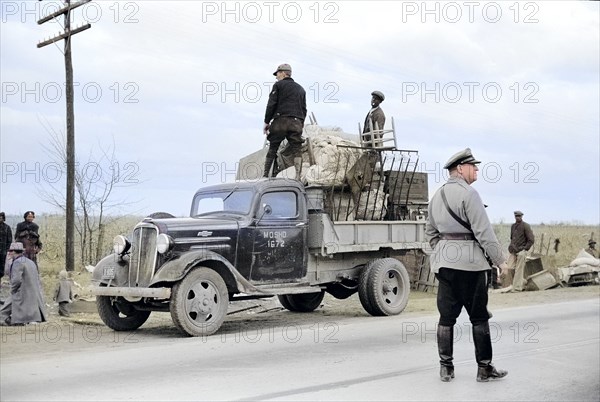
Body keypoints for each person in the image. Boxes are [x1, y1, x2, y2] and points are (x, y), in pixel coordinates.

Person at [425, 148, 508, 383]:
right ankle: (484, 368)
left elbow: (430, 233)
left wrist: (444, 251)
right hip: (471, 266)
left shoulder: (437, 196)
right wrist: (500, 261)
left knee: (446, 318)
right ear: (460, 169)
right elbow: (484, 233)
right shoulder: (470, 194)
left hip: (445, 264)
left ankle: (446, 368)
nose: (477, 170)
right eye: (474, 166)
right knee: (479, 316)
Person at [263, 63, 307, 180]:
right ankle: (298, 176)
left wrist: (267, 122)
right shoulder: (301, 89)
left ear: (283, 73)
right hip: (296, 123)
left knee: (273, 147)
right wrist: (300, 124)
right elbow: (304, 109)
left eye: (277, 73)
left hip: (280, 122)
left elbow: (271, 104)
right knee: (297, 149)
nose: (276, 76)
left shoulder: (278, 86)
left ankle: (265, 175)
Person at [0, 242, 47, 326]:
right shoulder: (30, 262)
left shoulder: (18, 262)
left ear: (14, 252)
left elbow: (17, 280)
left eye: (10, 251)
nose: (9, 253)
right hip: (33, 293)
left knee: (9, 303)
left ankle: (4, 319)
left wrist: (13, 290)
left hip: (23, 292)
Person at [503, 211, 535, 292]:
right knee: (510, 267)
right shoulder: (513, 226)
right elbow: (512, 238)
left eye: (519, 216)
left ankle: (517, 288)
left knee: (519, 269)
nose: (518, 217)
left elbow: (531, 240)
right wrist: (510, 247)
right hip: (513, 250)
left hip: (521, 251)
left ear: (522, 216)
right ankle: (523, 282)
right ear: (514, 217)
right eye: (516, 216)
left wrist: (525, 249)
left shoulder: (525, 226)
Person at [0, 212, 12, 280]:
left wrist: (7, 249)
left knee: (1, 268)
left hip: (3, 251)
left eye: (1, 218)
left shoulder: (7, 227)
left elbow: (9, 240)